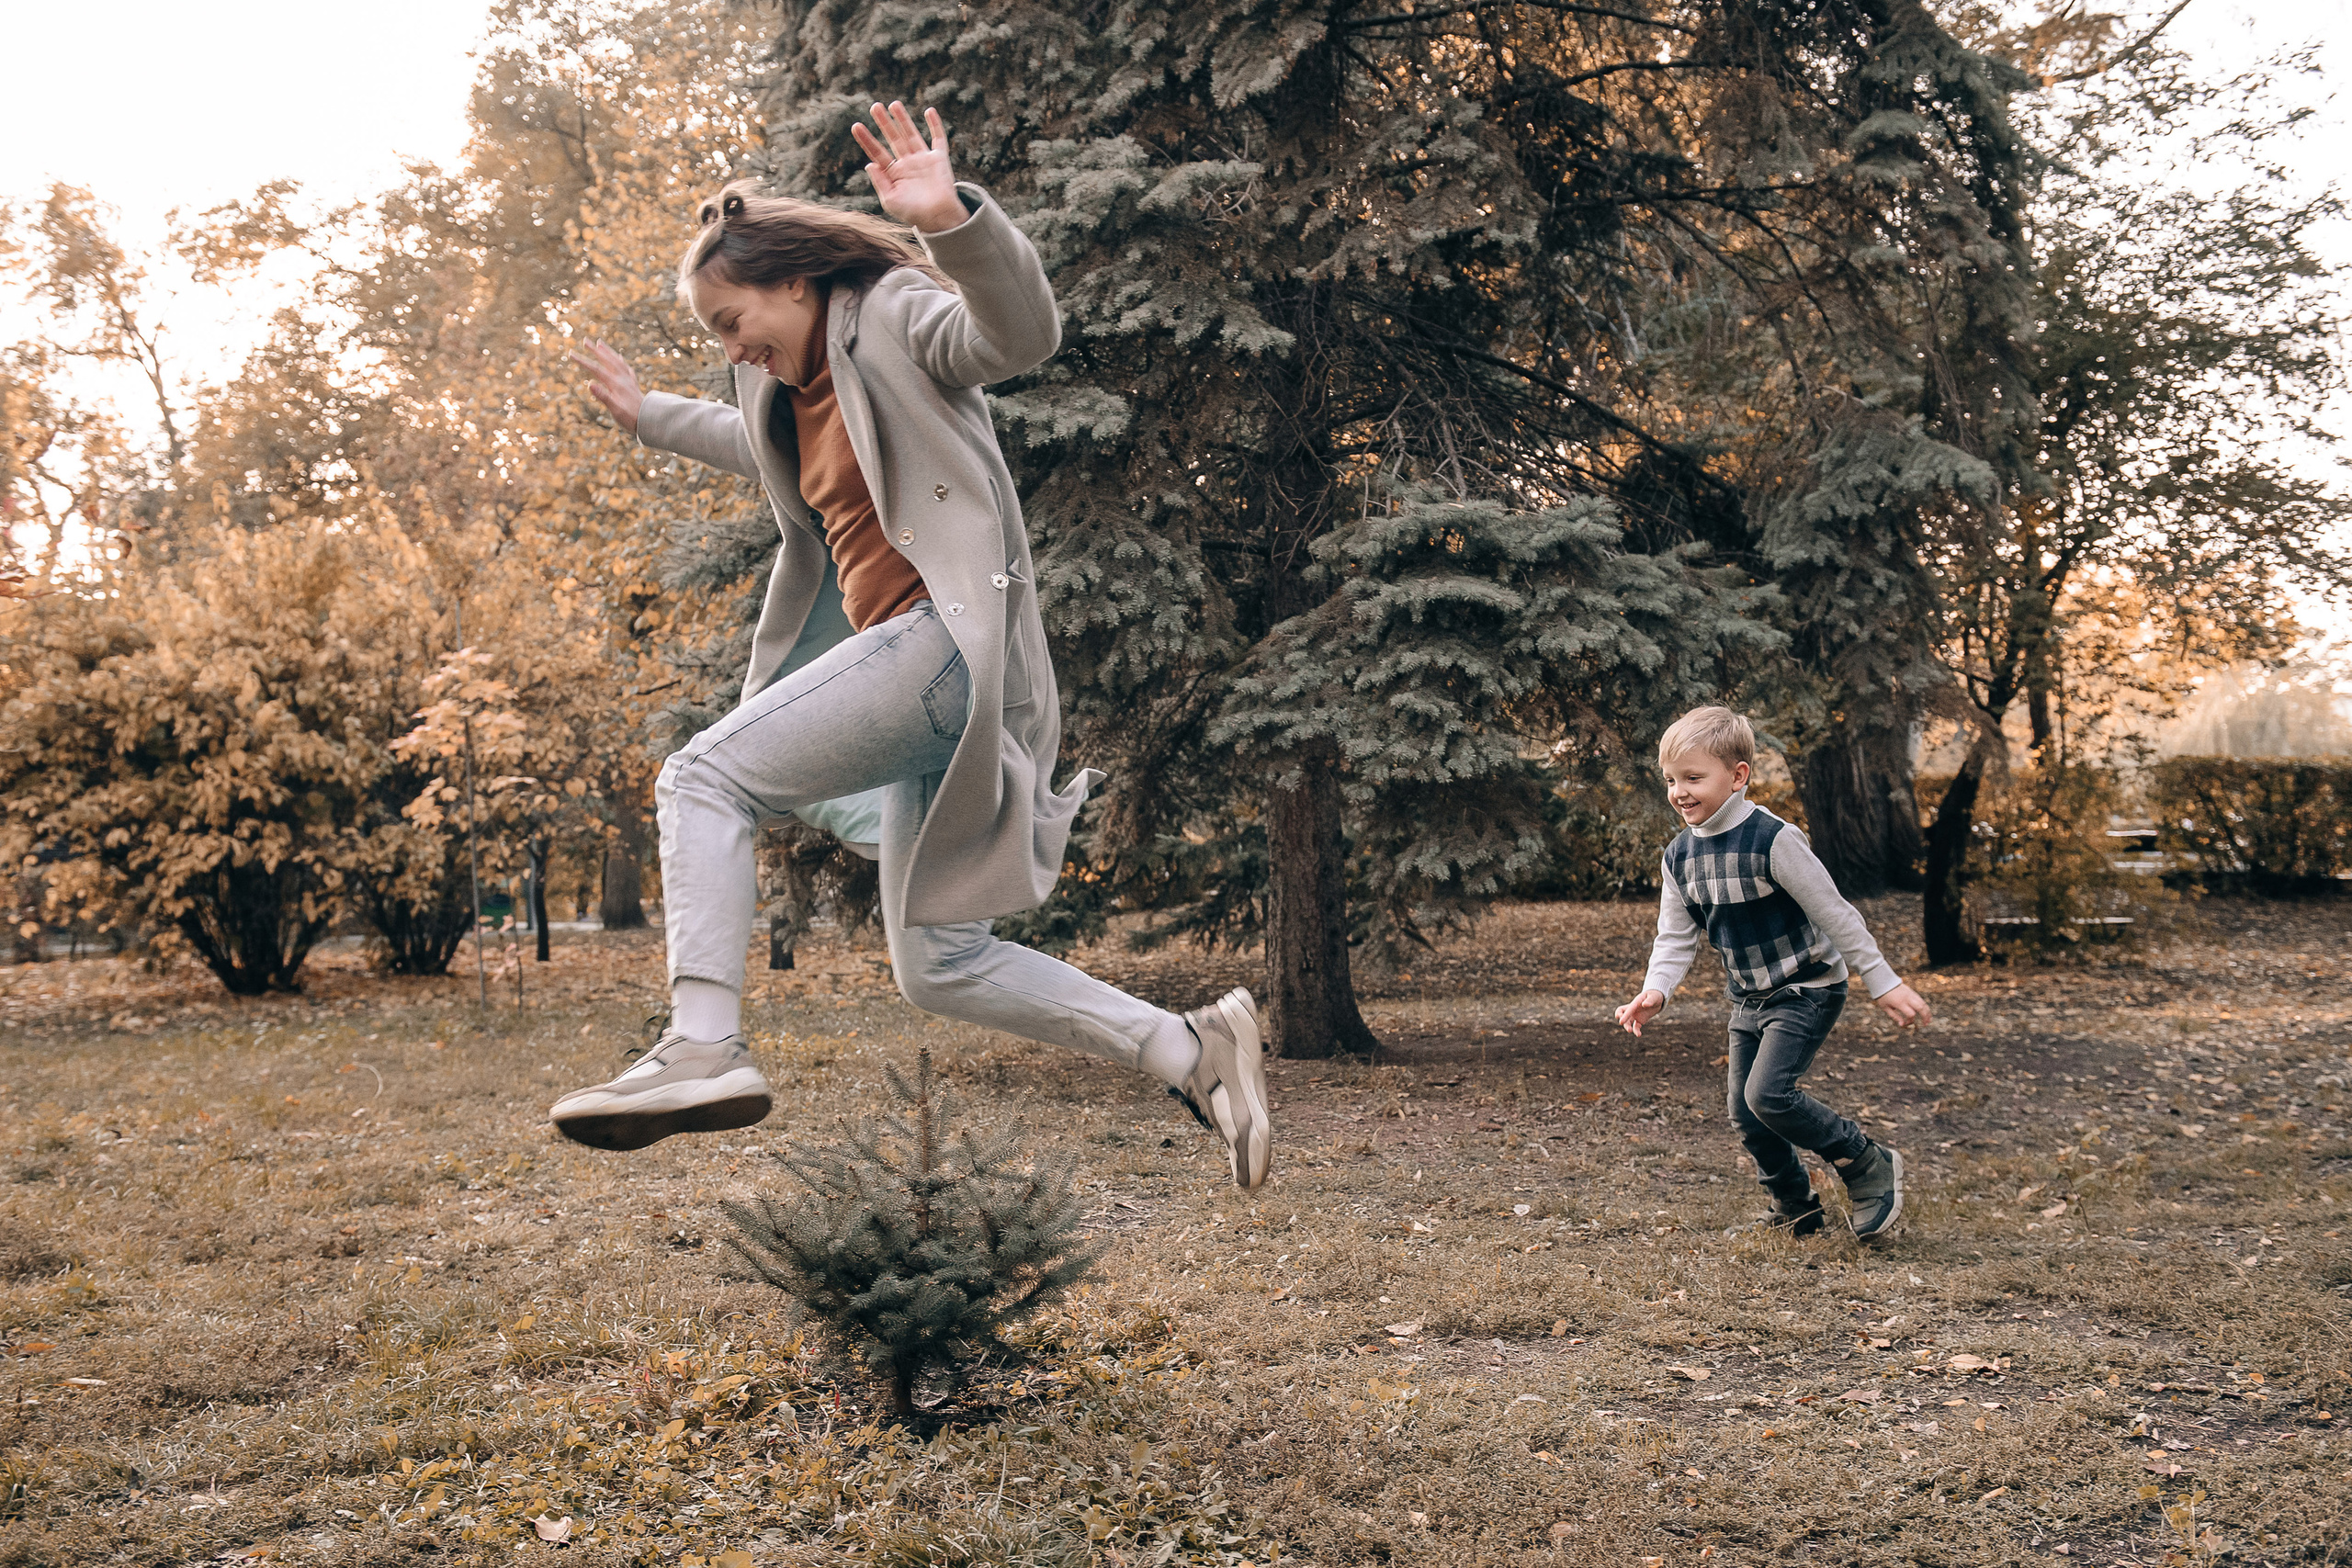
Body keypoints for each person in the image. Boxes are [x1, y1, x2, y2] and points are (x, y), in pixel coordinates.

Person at [548, 101, 1271, 1190]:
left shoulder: (890, 312)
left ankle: (701, 1042)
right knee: (939, 964)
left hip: (946, 646)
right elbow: (753, 447)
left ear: (793, 282)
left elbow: (1014, 337)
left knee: (700, 777)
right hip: (910, 668)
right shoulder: (780, 384)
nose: (729, 347)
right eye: (714, 339)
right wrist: (651, 412)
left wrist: (952, 224)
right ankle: (1189, 1047)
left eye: (731, 321)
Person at [1612, 706, 1932, 1240]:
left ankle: (1865, 1160)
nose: (1680, 791)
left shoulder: (1774, 839)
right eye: (1671, 779)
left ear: (1738, 777)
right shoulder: (1679, 856)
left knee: (1769, 1096)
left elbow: (1836, 913)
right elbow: (1675, 935)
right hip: (1750, 996)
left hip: (1806, 987)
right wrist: (1656, 990)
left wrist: (1883, 980)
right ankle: (1796, 1207)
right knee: (1744, 1111)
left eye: (1694, 777)